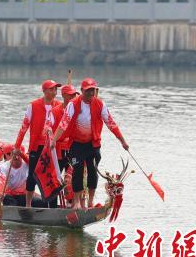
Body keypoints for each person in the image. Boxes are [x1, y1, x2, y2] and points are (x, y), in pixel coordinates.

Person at [51, 78, 129, 209]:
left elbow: (111, 123)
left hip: (93, 144)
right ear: (82, 91)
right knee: (78, 171)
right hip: (77, 144)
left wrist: (123, 141)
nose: (91, 93)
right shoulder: (73, 104)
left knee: (93, 172)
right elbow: (63, 124)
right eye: (88, 91)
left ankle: (90, 201)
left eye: (93, 90)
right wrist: (53, 140)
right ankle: (76, 202)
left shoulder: (100, 104)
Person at [14, 79, 61, 208]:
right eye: (51, 89)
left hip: (51, 147)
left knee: (52, 177)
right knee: (32, 176)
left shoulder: (59, 105)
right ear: (44, 91)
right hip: (36, 146)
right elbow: (24, 127)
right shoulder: (33, 105)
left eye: (55, 89)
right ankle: (28, 205)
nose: (54, 91)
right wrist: (17, 146)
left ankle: (53, 208)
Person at [51, 84, 80, 171]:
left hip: (74, 147)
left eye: (74, 95)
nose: (73, 97)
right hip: (59, 150)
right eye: (70, 95)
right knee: (56, 176)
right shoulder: (55, 111)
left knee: (74, 174)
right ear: (63, 95)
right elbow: (48, 129)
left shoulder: (79, 111)